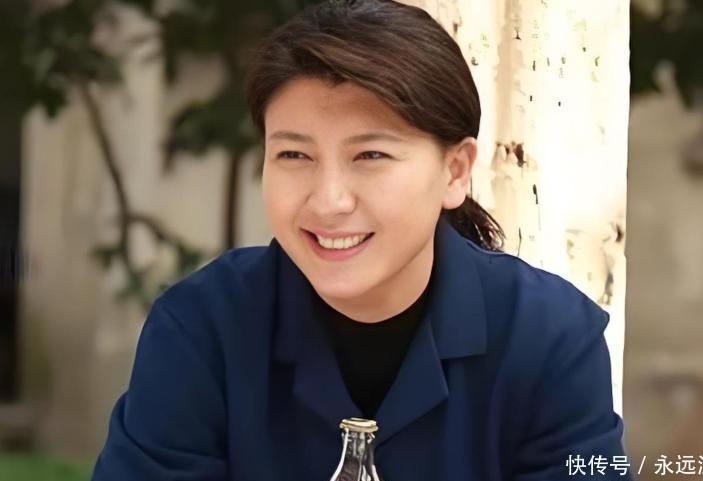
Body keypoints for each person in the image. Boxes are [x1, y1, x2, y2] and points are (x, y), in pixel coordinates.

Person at [91, 0, 632, 479]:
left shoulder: (547, 338)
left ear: (455, 171)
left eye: (370, 155)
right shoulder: (203, 328)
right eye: (294, 155)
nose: (329, 201)